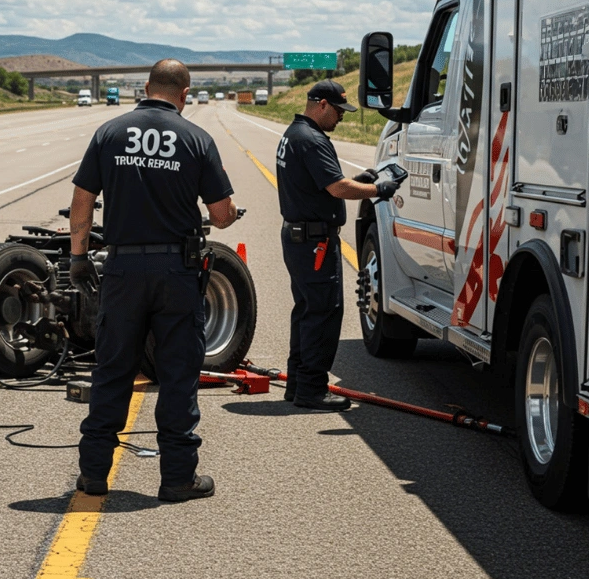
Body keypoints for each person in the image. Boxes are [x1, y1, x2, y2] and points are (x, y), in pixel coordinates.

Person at [68, 59, 238, 502]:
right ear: (185, 94)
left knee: (113, 371)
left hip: (123, 271)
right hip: (176, 273)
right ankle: (178, 478)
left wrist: (78, 257)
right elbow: (221, 216)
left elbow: (82, 200)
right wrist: (226, 213)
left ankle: (93, 474)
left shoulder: (109, 132)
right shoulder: (197, 139)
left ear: (145, 87)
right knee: (178, 373)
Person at [276, 79, 402, 411]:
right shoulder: (313, 140)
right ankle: (312, 391)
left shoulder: (293, 135)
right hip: (315, 242)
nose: (341, 118)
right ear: (321, 104)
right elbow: (336, 189)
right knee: (323, 313)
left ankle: (297, 384)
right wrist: (380, 190)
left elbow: (320, 184)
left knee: (306, 311)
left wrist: (360, 181)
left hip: (299, 237)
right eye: (338, 111)